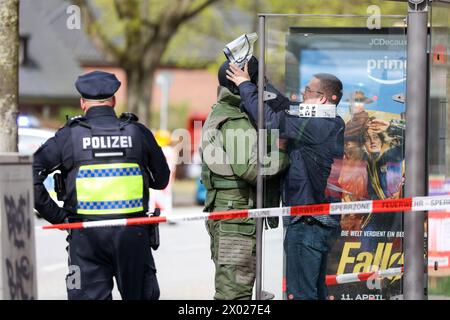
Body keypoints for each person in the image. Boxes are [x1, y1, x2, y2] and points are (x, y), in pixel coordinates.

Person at [33, 71, 170, 300]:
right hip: (132, 233)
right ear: (114, 100)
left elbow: (31, 175)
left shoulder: (69, 136)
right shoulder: (138, 132)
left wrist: (60, 219)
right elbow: (161, 179)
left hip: (86, 237)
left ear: (82, 102)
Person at [226, 64, 345, 300]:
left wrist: (243, 86)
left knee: (301, 294)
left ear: (322, 100)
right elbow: (286, 108)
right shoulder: (331, 121)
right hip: (316, 222)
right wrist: (260, 82)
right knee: (314, 292)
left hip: (307, 223)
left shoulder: (317, 124)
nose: (302, 94)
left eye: (308, 91)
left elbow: (270, 121)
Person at [201, 58, 289, 300]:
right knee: (234, 295)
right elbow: (251, 169)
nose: (265, 87)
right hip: (237, 221)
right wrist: (282, 154)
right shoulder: (235, 120)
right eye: (261, 81)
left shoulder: (227, 112)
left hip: (235, 217)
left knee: (235, 290)